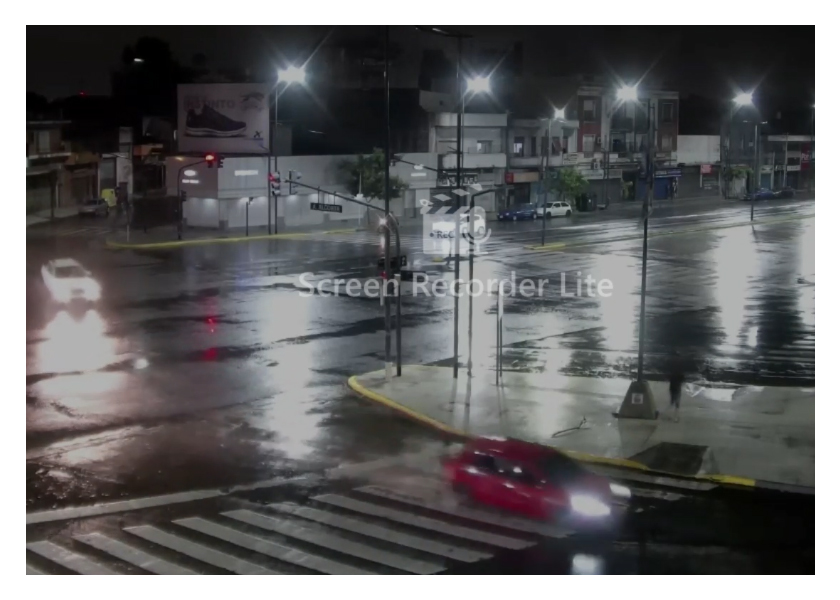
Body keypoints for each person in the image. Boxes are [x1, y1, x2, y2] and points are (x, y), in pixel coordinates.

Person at [668, 351, 685, 421]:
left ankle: (674, 415)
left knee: (673, 399)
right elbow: (682, 376)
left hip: (673, 383)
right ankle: (675, 416)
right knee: (677, 400)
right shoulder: (680, 365)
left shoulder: (671, 364)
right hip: (677, 384)